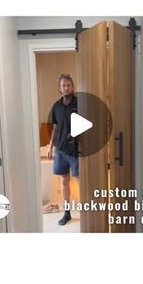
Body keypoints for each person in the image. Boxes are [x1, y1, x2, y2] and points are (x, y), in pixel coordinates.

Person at [47, 74, 79, 225]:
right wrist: (50, 146)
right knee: (64, 180)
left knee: (80, 181)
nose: (66, 88)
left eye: (68, 85)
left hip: (76, 150)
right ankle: (67, 213)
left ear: (72, 87)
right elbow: (55, 128)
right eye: (63, 85)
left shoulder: (80, 104)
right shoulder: (56, 106)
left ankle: (87, 212)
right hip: (60, 150)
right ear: (59, 89)